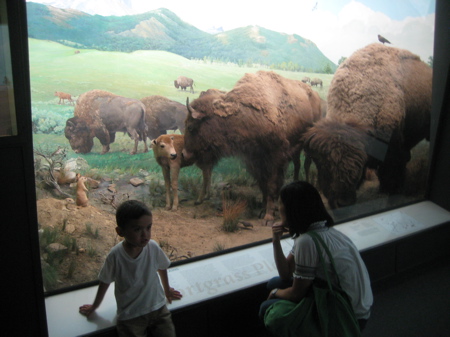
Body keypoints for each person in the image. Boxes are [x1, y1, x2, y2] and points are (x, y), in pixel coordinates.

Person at [259, 181, 373, 331]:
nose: (278, 208)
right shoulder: (322, 231)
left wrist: (275, 294)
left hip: (346, 315)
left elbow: (296, 293)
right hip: (355, 305)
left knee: (267, 307)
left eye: (280, 203)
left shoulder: (307, 241)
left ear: (291, 209)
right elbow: (285, 273)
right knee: (275, 282)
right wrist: (276, 241)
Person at [79, 200, 183, 337]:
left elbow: (162, 268)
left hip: (158, 308)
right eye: (137, 229)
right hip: (130, 316)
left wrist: (167, 289)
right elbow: (105, 281)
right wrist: (95, 306)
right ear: (120, 231)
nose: (145, 234)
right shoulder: (115, 255)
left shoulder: (153, 247)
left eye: (148, 227)